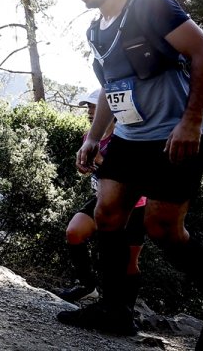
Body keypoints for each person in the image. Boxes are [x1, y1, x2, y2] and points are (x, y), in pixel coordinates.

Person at [54, 0, 203, 350]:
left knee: (164, 228)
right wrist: (93, 138)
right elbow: (111, 88)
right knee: (107, 214)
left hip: (174, 137)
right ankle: (115, 309)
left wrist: (191, 122)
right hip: (128, 138)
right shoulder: (95, 30)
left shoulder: (151, 5)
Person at [57, 89, 146, 310]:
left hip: (134, 204)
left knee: (129, 262)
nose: (90, 111)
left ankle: (126, 309)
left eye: (94, 106)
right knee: (74, 232)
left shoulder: (124, 136)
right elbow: (92, 168)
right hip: (101, 198)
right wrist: (85, 165)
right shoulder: (89, 137)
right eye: (88, 107)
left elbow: (128, 175)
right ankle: (87, 286)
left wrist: (100, 160)